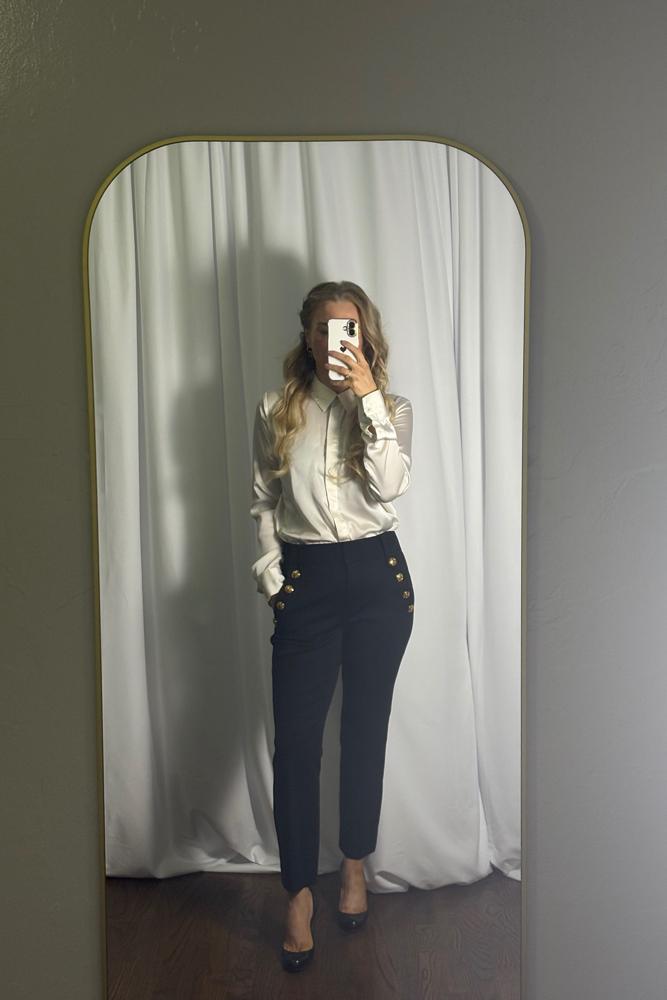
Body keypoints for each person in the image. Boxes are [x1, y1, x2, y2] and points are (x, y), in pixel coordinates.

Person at [250, 280, 415, 971]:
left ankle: (353, 867)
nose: (332, 342)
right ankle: (297, 893)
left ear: (363, 337)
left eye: (346, 329)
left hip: (379, 581)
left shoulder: (391, 409)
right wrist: (274, 582)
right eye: (322, 328)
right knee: (295, 746)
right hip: (307, 581)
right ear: (306, 334)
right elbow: (264, 498)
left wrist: (365, 397)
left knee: (364, 733)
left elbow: (391, 486)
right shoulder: (277, 407)